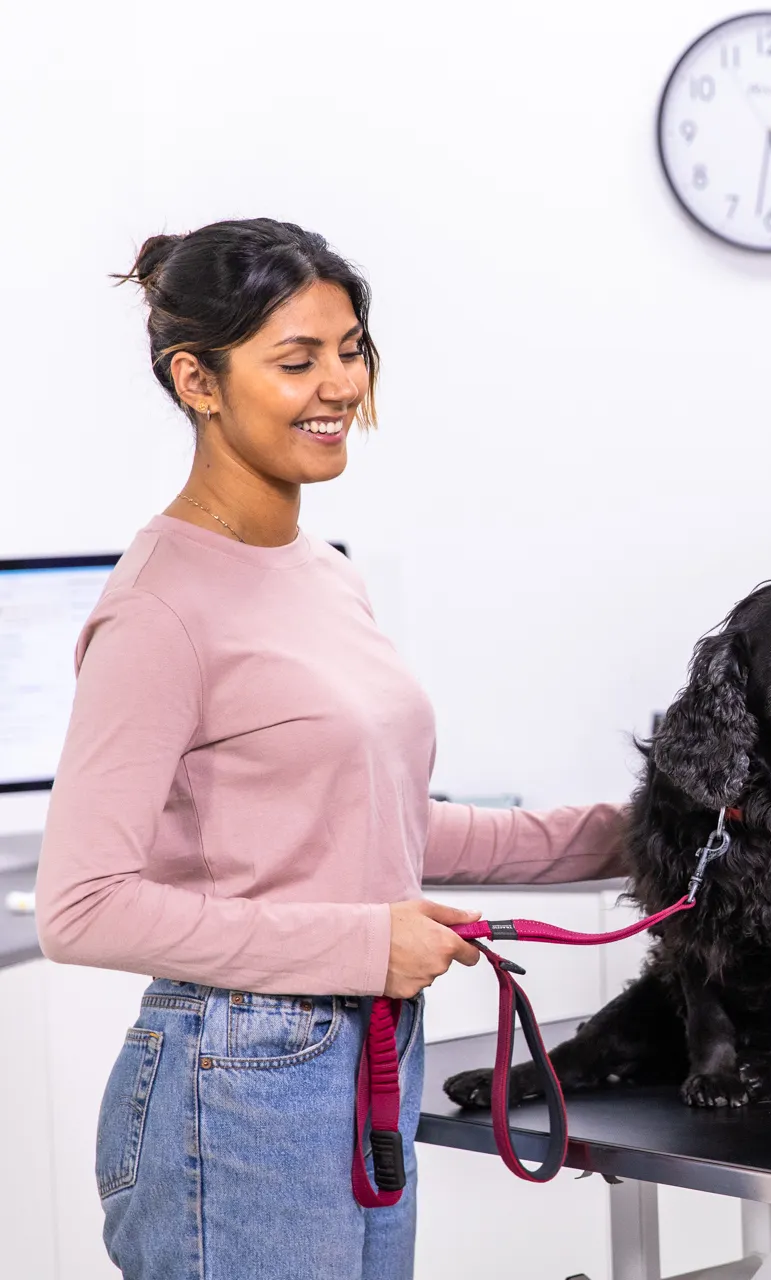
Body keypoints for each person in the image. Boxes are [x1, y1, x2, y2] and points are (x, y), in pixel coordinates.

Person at [35, 219, 629, 1280]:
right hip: (236, 1074)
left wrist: (642, 834)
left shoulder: (324, 572)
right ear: (198, 380)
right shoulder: (159, 607)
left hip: (362, 1055)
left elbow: (387, 817)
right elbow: (80, 904)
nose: (339, 386)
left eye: (349, 349)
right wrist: (364, 945)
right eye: (296, 360)